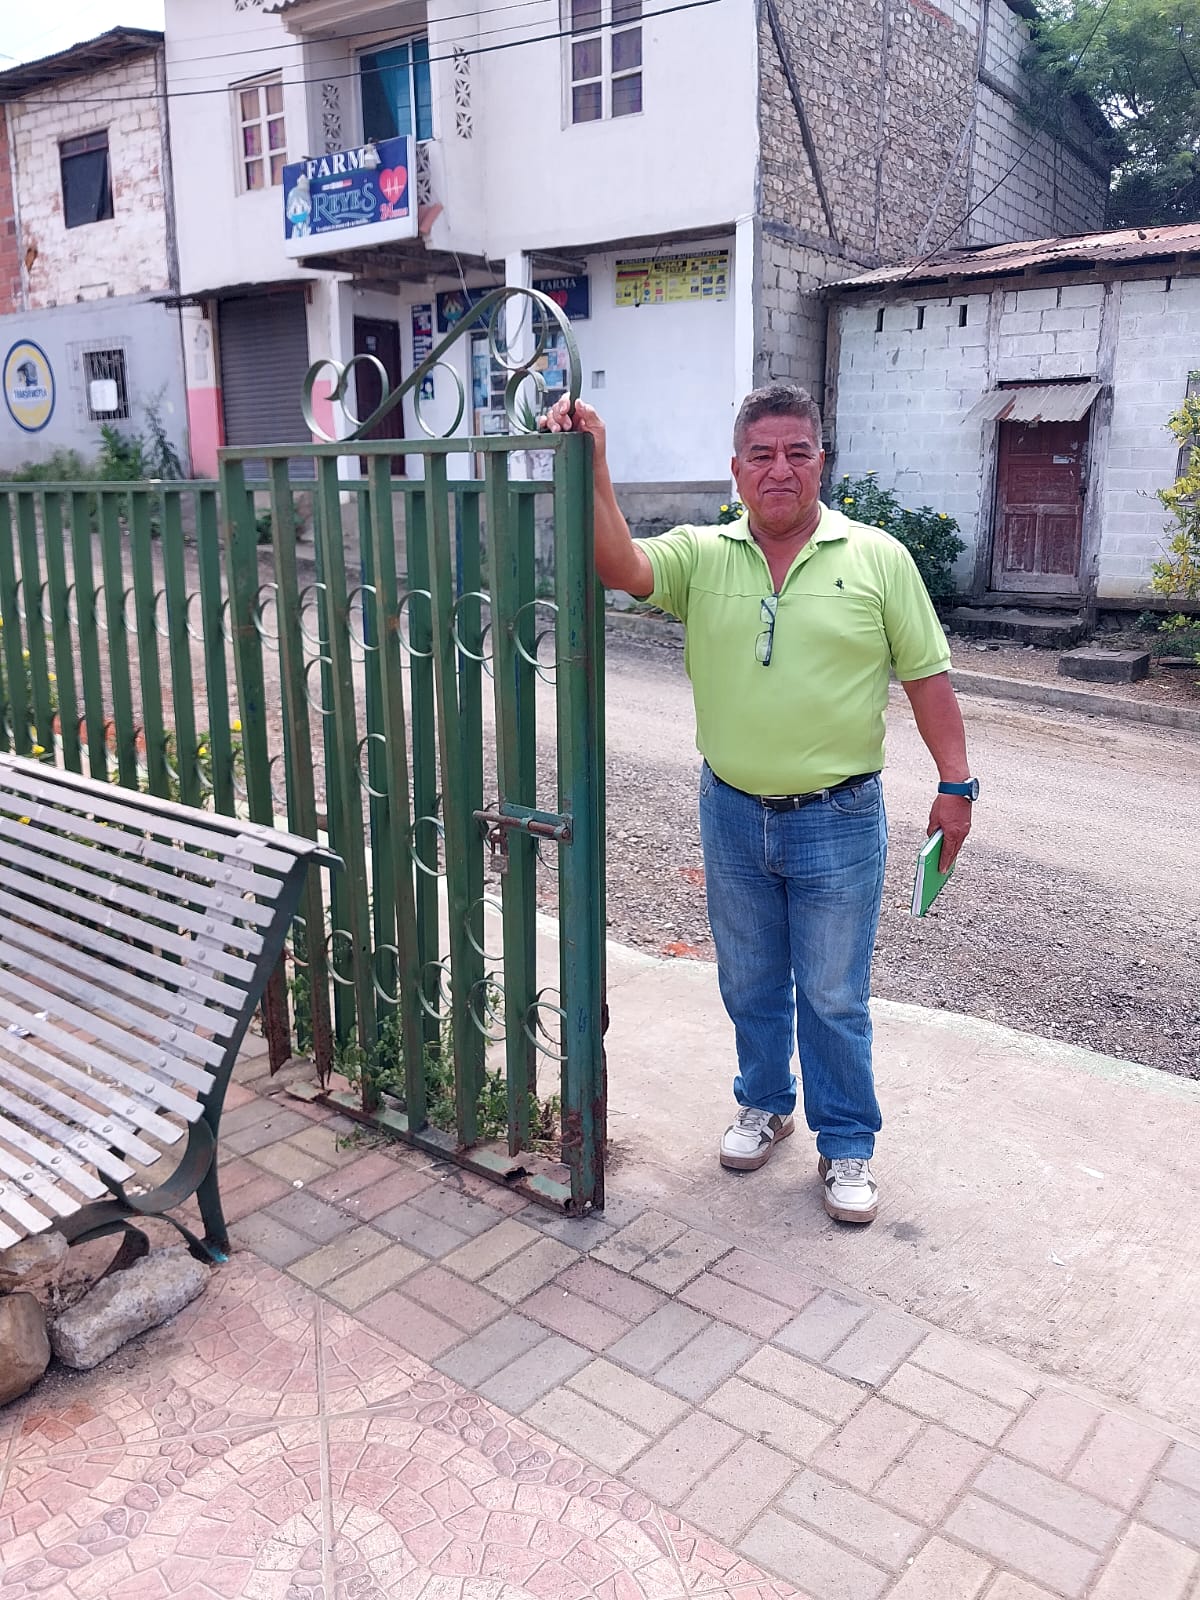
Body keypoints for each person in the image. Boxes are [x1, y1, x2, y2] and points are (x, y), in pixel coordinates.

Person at [542, 382, 977, 1225]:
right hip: (733, 810)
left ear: (821, 462)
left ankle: (845, 1141)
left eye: (797, 452)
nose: (780, 469)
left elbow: (927, 678)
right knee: (748, 979)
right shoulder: (704, 557)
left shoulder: (878, 558)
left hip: (839, 819)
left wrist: (956, 785)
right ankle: (765, 1104)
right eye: (762, 454)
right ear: (736, 469)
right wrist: (595, 464)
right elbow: (620, 567)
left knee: (833, 994)